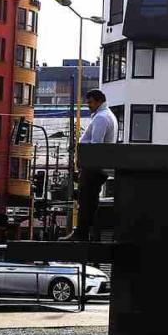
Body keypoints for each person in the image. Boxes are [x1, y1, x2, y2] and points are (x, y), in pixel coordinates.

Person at [65, 89, 118, 241]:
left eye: (90, 102)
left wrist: (84, 164)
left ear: (99, 101)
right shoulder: (107, 115)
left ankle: (81, 233)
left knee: (86, 201)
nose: (88, 106)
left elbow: (95, 146)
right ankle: (86, 233)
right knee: (89, 200)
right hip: (96, 167)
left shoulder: (101, 118)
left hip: (92, 168)